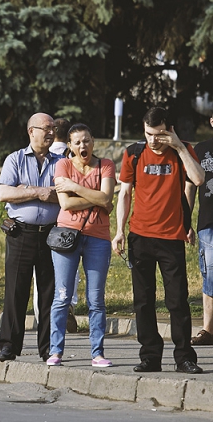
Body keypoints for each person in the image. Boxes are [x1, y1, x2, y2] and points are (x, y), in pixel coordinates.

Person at [113, 107, 204, 374]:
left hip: (171, 237)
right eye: (148, 134)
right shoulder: (133, 153)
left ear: (170, 130)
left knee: (177, 300)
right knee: (143, 301)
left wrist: (179, 147)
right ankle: (150, 356)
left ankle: (184, 357)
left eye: (159, 134)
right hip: (140, 236)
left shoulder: (182, 150)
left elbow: (198, 179)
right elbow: (125, 194)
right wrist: (119, 230)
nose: (153, 140)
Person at [47, 124, 115, 367]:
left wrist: (75, 188)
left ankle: (97, 353)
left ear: (93, 140)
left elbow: (106, 197)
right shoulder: (62, 165)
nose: (82, 146)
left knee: (96, 299)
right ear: (69, 145)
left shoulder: (105, 164)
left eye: (86, 141)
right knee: (62, 295)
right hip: (67, 236)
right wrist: (95, 198)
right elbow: (65, 204)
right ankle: (55, 351)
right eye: (77, 142)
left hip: (98, 237)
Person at [0, 113, 61, 362]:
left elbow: (66, 194)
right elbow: (4, 192)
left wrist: (24, 191)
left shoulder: (61, 162)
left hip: (52, 234)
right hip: (21, 233)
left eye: (53, 128)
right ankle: (9, 346)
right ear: (31, 131)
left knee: (48, 294)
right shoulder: (15, 159)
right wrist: (39, 191)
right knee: (15, 292)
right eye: (46, 128)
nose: (51, 133)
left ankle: (48, 349)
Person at [35, 117, 78, 334]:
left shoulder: (53, 159)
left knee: (41, 277)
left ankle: (44, 319)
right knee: (68, 267)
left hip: (46, 222)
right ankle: (68, 303)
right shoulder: (71, 159)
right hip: (66, 221)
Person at [189, 114, 213, 346]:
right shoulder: (201, 149)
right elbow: (190, 186)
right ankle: (208, 329)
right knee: (210, 273)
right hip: (208, 222)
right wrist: (186, 221)